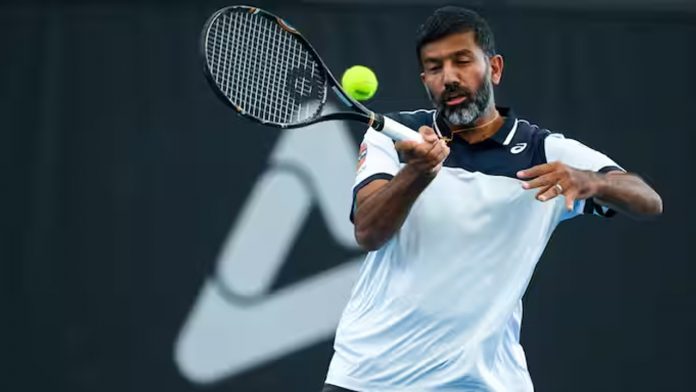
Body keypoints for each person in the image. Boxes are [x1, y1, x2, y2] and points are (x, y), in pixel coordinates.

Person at [322, 6, 662, 392]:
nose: (449, 78)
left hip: (485, 383)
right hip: (371, 379)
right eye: (434, 68)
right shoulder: (393, 138)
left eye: (462, 61)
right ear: (425, 80)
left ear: (494, 68)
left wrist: (590, 180)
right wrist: (417, 173)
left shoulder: (544, 152)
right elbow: (368, 232)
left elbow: (648, 200)